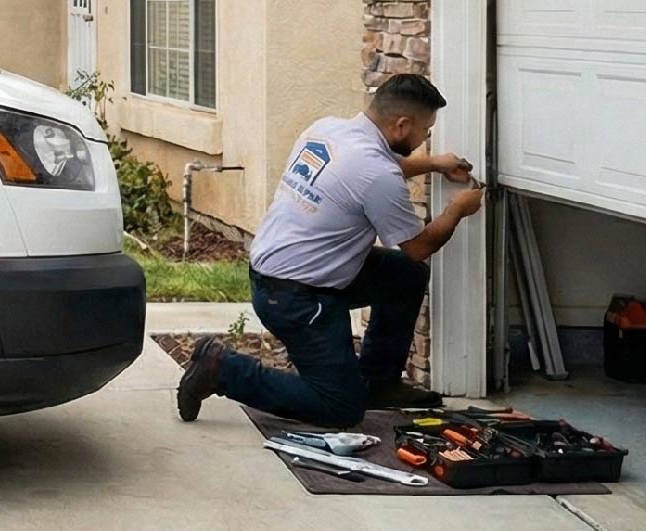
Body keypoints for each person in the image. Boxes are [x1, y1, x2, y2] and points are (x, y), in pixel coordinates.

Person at [177, 74, 485, 428]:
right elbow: (418, 247)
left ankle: (379, 383)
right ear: (402, 125)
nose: (426, 138)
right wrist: (458, 209)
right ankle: (223, 369)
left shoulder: (328, 130)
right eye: (425, 130)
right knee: (340, 408)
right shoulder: (376, 173)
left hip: (278, 271)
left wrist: (433, 163)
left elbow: (374, 172)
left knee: (404, 275)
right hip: (296, 299)